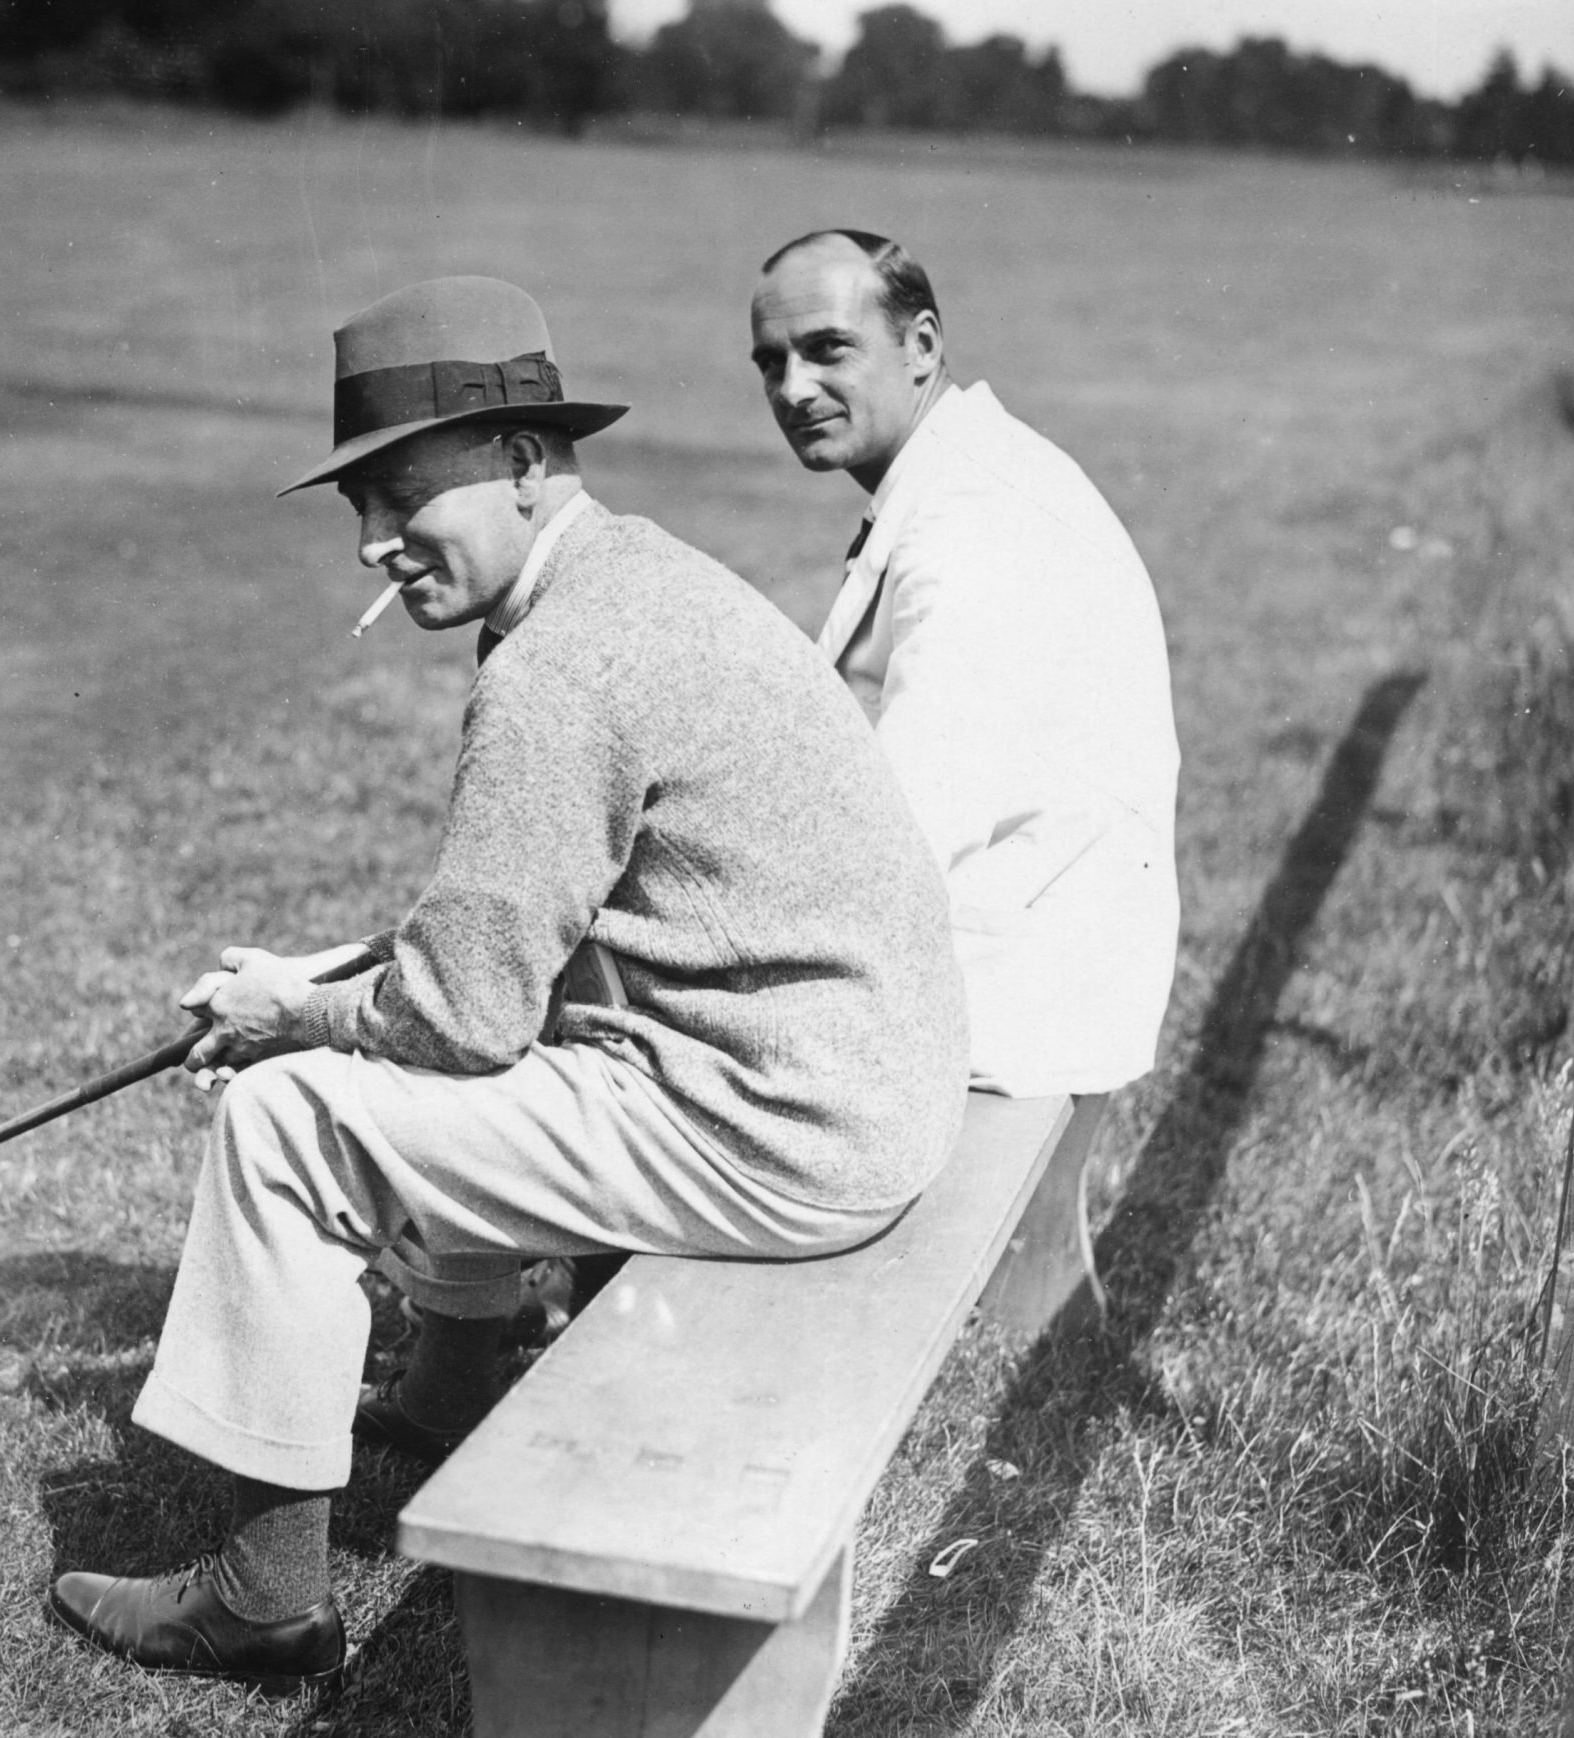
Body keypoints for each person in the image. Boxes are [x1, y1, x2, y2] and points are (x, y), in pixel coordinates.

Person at [47, 276, 969, 1688]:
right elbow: (514, 927)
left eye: (401, 495)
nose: (371, 543)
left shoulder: (563, 665)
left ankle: (261, 1598)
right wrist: (323, 973)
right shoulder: (635, 573)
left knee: (288, 1117)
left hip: (791, 1129)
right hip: (850, 1084)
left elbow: (460, 1017)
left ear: (526, 466)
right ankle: (451, 1380)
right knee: (431, 1045)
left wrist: (285, 1016)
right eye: (358, 506)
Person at [748, 230, 1180, 1101]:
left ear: (923, 347)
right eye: (770, 362)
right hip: (1040, 969)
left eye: (828, 348)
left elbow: (901, 838)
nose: (793, 389)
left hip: (1005, 1008)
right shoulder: (967, 471)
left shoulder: (972, 526)